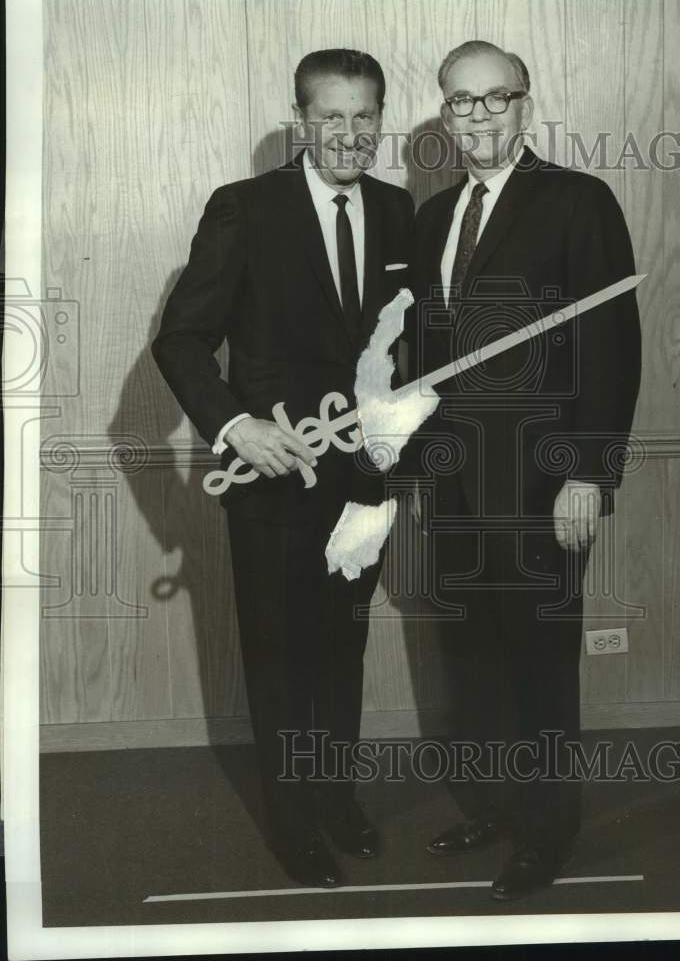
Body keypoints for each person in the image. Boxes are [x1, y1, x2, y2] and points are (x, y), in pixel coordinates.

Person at [151, 49, 414, 888]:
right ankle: (294, 823)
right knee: (279, 657)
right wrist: (234, 425)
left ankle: (337, 800)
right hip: (270, 486)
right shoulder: (244, 209)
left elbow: (406, 348)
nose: (348, 134)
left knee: (342, 647)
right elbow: (182, 338)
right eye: (330, 116)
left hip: (364, 484)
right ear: (301, 120)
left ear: (380, 120)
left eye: (363, 116)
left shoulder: (400, 210)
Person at [406, 40, 641, 901]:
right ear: (444, 113)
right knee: (471, 660)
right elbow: (424, 360)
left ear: (523, 102)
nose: (477, 116)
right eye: (459, 102)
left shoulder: (579, 202)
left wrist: (589, 473)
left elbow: (611, 349)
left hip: (546, 487)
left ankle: (545, 834)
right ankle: (494, 807)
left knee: (539, 665)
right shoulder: (430, 219)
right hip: (455, 489)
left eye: (493, 98)